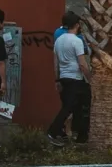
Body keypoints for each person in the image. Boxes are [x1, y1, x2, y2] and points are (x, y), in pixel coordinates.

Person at [47, 11, 91, 145]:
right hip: (76, 79)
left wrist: (57, 80)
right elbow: (82, 63)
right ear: (77, 25)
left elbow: (55, 63)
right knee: (70, 107)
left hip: (64, 78)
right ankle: (52, 132)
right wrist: (90, 79)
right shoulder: (77, 41)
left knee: (77, 107)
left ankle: (82, 137)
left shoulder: (58, 40)